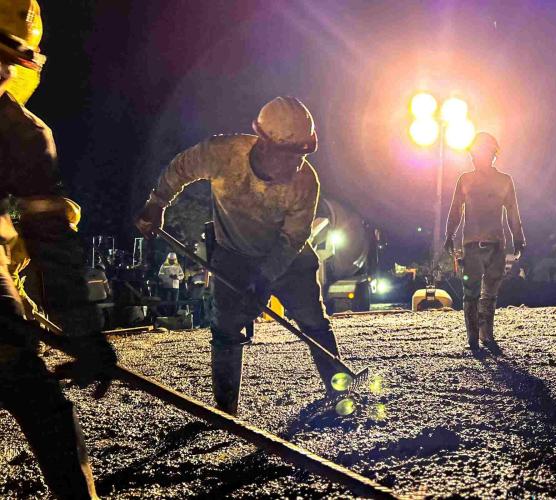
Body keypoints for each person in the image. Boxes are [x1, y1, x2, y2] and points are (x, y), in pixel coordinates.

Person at [135, 96, 343, 415]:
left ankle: (340, 389)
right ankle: (226, 410)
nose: (297, 164)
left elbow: (293, 238)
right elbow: (181, 168)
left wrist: (264, 278)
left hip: (289, 259)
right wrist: (156, 203)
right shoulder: (223, 154)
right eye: (290, 154)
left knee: (313, 321)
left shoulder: (305, 182)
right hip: (234, 254)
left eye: (303, 154)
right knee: (226, 329)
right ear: (264, 143)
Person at [0, 2, 116, 498]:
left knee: (31, 388)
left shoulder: (22, 134)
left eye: (6, 62)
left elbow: (50, 240)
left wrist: (85, 333)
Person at [444, 132, 525, 353]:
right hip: (473, 245)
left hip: (495, 245)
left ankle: (485, 335)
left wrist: (518, 238)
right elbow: (455, 211)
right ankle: (474, 337)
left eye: (479, 152)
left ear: (491, 154)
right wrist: (449, 234)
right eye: (474, 153)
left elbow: (512, 213)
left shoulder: (504, 181)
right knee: (471, 292)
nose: (475, 157)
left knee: (489, 293)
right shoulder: (465, 180)